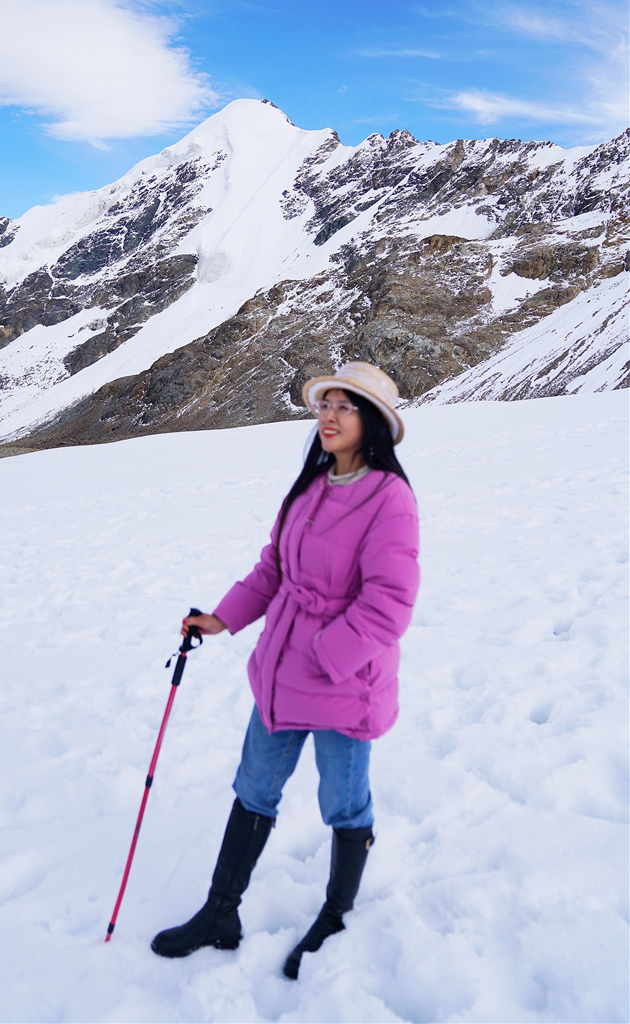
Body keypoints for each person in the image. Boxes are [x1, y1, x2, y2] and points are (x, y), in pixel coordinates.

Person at [151, 362, 420, 980]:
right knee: (254, 788)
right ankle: (221, 911)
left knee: (344, 802)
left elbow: (389, 604)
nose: (328, 414)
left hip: (343, 683)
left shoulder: (390, 499)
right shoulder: (311, 485)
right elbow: (274, 568)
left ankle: (336, 913)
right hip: (281, 670)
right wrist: (224, 618)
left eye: (344, 406)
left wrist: (326, 657)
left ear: (372, 422)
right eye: (324, 403)